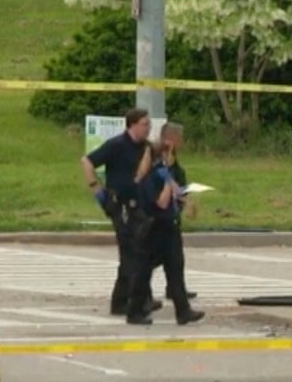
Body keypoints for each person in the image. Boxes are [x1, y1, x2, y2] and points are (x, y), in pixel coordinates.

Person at [80, 108, 155, 324]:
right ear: (132, 124)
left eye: (149, 124)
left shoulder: (146, 148)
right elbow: (87, 162)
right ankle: (128, 302)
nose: (148, 128)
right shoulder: (117, 145)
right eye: (144, 124)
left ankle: (131, 298)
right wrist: (97, 190)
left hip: (139, 206)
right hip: (120, 205)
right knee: (130, 252)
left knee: (141, 253)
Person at [132, 140, 204, 325]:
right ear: (162, 155)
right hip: (155, 228)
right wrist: (167, 182)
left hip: (169, 227)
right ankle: (136, 311)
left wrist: (187, 201)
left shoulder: (164, 173)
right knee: (143, 270)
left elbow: (178, 193)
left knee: (175, 269)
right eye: (170, 153)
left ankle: (183, 311)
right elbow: (162, 202)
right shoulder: (150, 176)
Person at [152, 122, 197, 303]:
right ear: (171, 139)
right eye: (180, 138)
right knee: (154, 257)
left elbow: (177, 177)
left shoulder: (172, 158)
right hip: (158, 213)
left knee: (176, 257)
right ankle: (134, 291)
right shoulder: (155, 156)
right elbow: (163, 178)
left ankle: (176, 290)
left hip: (172, 211)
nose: (183, 142)